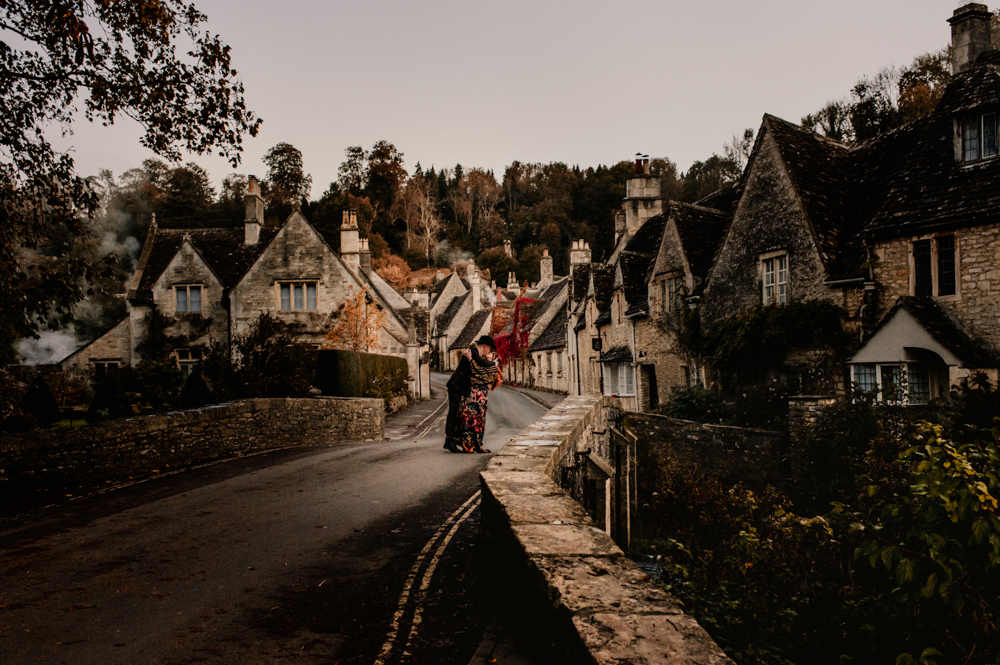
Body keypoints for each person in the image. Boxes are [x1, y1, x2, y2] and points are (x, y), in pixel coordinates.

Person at [444, 336, 499, 453]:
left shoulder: (474, 354)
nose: (490, 351)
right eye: (490, 349)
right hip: (456, 386)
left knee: (460, 414)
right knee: (454, 413)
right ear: (484, 346)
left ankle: (454, 440)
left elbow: (480, 367)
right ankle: (449, 441)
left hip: (461, 387)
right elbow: (481, 363)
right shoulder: (473, 352)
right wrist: (494, 362)